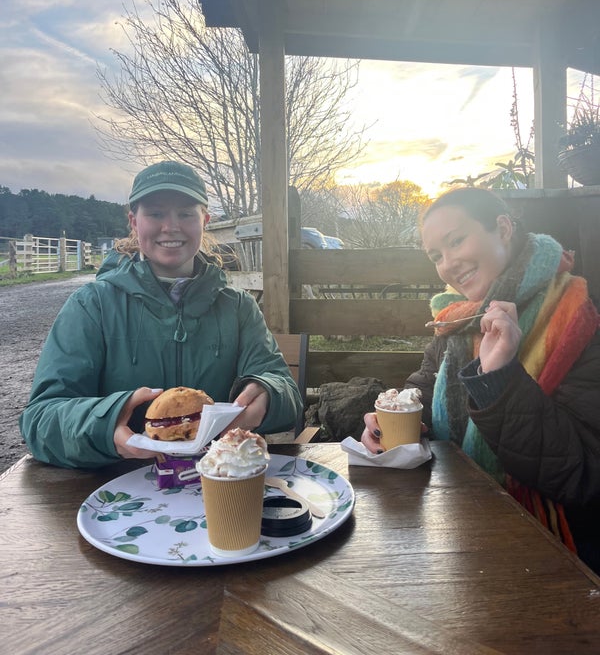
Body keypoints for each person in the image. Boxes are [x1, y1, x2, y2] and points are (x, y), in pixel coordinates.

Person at [361, 187, 600, 572]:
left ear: (503, 229)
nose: (449, 264)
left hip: (559, 554)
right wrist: (394, 416)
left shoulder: (582, 318)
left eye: (456, 241)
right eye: (436, 256)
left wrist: (499, 380)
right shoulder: (457, 318)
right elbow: (424, 387)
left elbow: (582, 473)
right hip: (456, 529)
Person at [19, 161, 302, 469]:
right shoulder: (91, 306)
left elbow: (284, 389)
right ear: (134, 222)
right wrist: (106, 426)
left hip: (219, 481)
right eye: (155, 213)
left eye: (186, 214)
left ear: (204, 221)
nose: (171, 227)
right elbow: (40, 418)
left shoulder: (238, 308)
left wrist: (268, 394)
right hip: (113, 486)